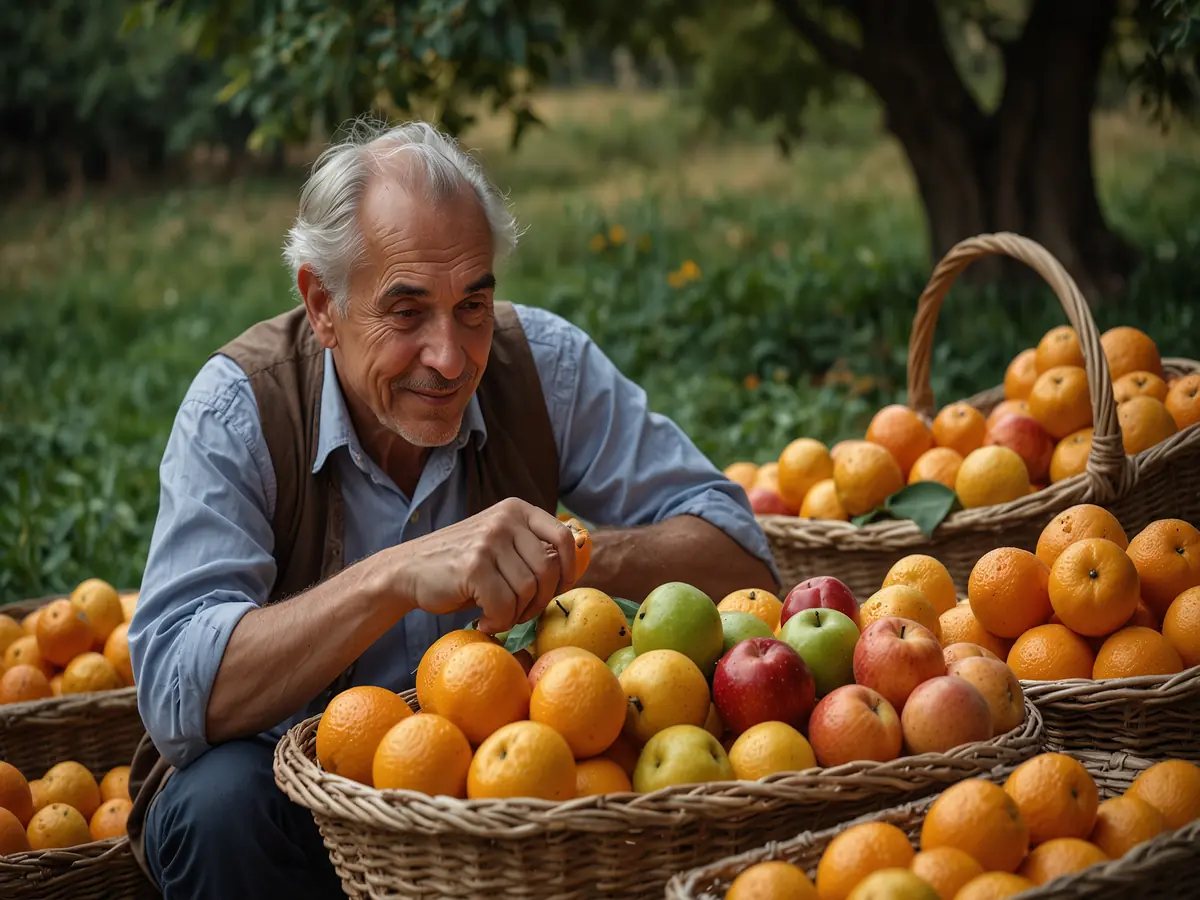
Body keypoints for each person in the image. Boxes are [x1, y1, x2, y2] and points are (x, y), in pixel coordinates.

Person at [125, 117, 779, 899]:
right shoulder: (240, 406)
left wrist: (563, 552)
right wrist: (397, 574)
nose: (449, 355)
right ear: (323, 304)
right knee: (219, 806)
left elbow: (740, 556)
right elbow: (174, 689)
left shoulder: (541, 367)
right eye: (406, 312)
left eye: (473, 304)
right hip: (293, 803)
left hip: (505, 799)